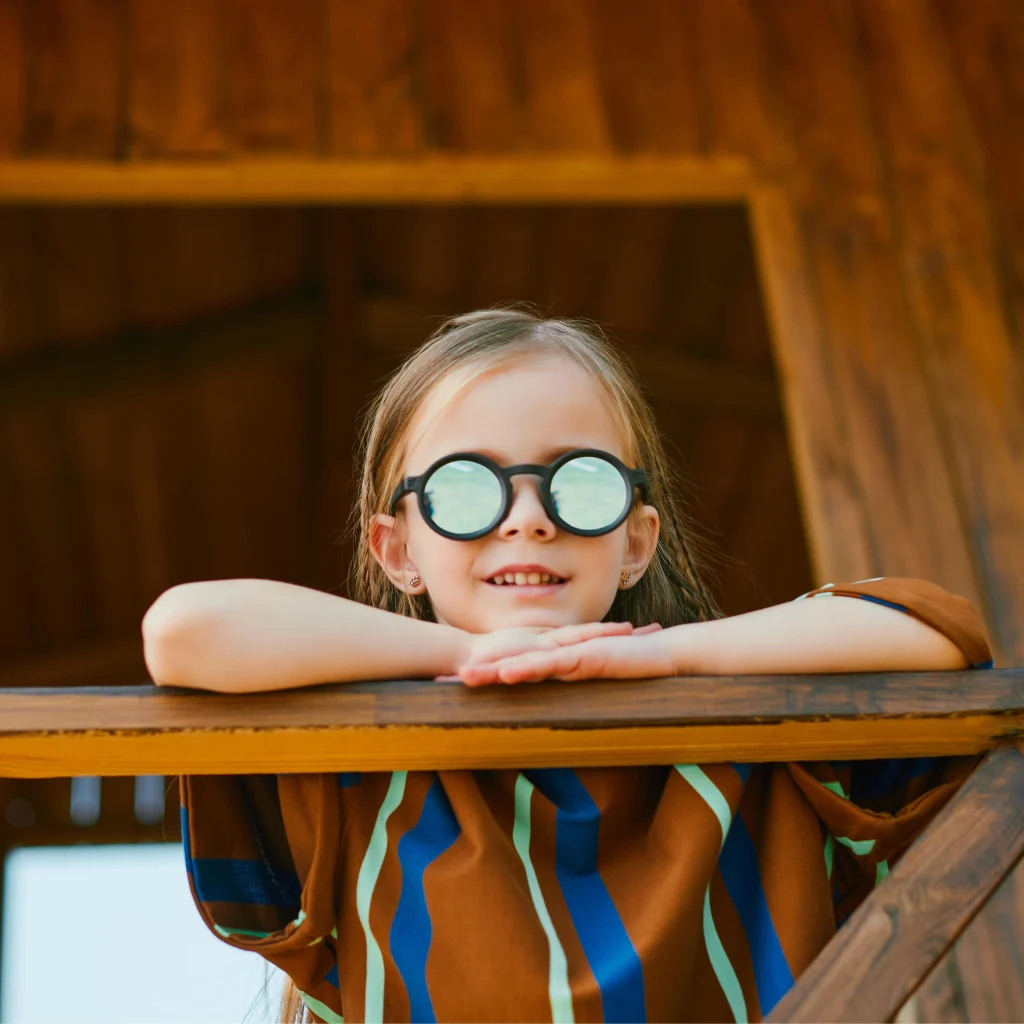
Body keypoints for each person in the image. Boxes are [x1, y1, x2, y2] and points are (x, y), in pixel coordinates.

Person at [142, 308, 993, 1024]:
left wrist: (667, 654)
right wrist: (467, 652)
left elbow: (934, 631)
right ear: (396, 548)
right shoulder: (357, 775)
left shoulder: (751, 747)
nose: (528, 519)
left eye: (578, 485)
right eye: (466, 488)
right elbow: (184, 632)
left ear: (635, 541)